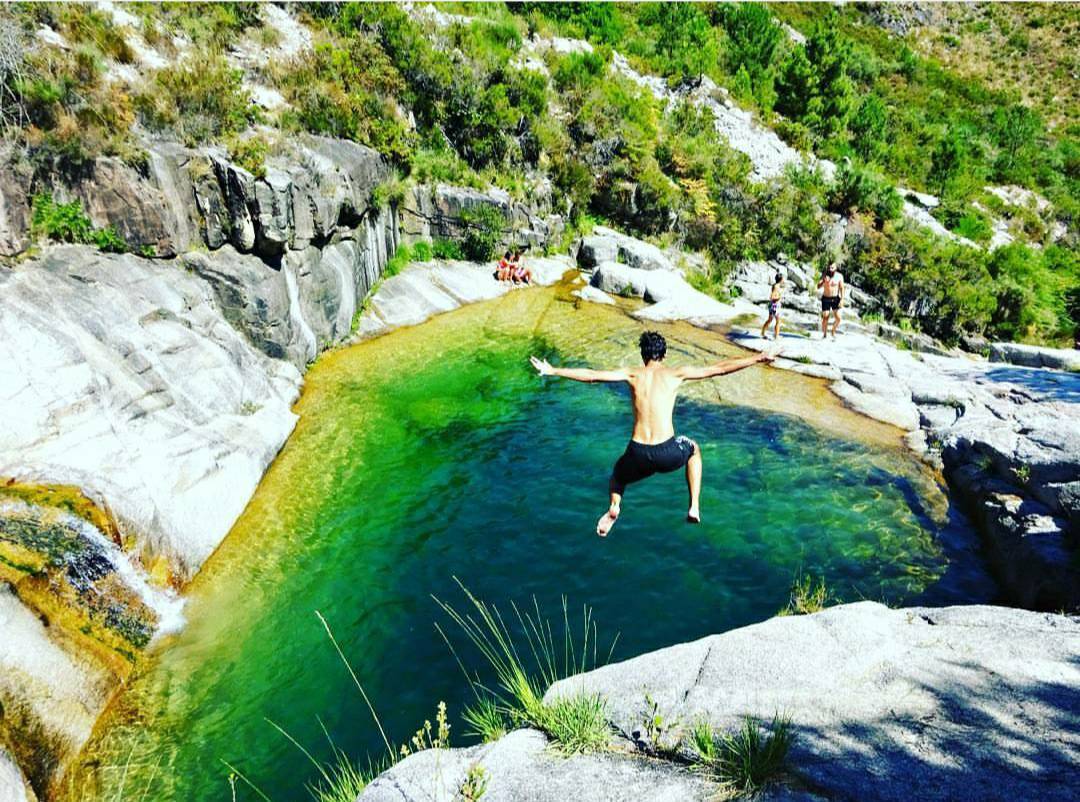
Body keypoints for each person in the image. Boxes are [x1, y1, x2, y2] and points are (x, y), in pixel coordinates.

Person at [530, 331, 776, 537]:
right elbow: (719, 369)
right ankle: (694, 506)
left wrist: (553, 370)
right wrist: (758, 358)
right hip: (667, 452)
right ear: (664, 355)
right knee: (693, 449)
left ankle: (614, 507)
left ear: (643, 355)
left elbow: (592, 375)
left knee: (617, 478)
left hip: (637, 453)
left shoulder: (632, 374)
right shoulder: (675, 373)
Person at [818, 262, 845, 339]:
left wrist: (842, 299)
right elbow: (818, 286)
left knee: (838, 318)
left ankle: (833, 331)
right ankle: (825, 334)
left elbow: (842, 288)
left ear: (836, 268)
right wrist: (824, 281)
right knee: (825, 317)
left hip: (835, 298)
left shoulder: (839, 276)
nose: (830, 269)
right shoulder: (824, 275)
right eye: (829, 267)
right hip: (826, 298)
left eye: (832, 268)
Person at [760, 272, 785, 340]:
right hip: (775, 305)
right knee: (778, 321)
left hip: (774, 305)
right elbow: (771, 297)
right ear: (781, 279)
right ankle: (776, 337)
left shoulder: (776, 285)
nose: (784, 280)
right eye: (783, 278)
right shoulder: (776, 286)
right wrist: (779, 298)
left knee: (770, 320)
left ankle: (763, 333)